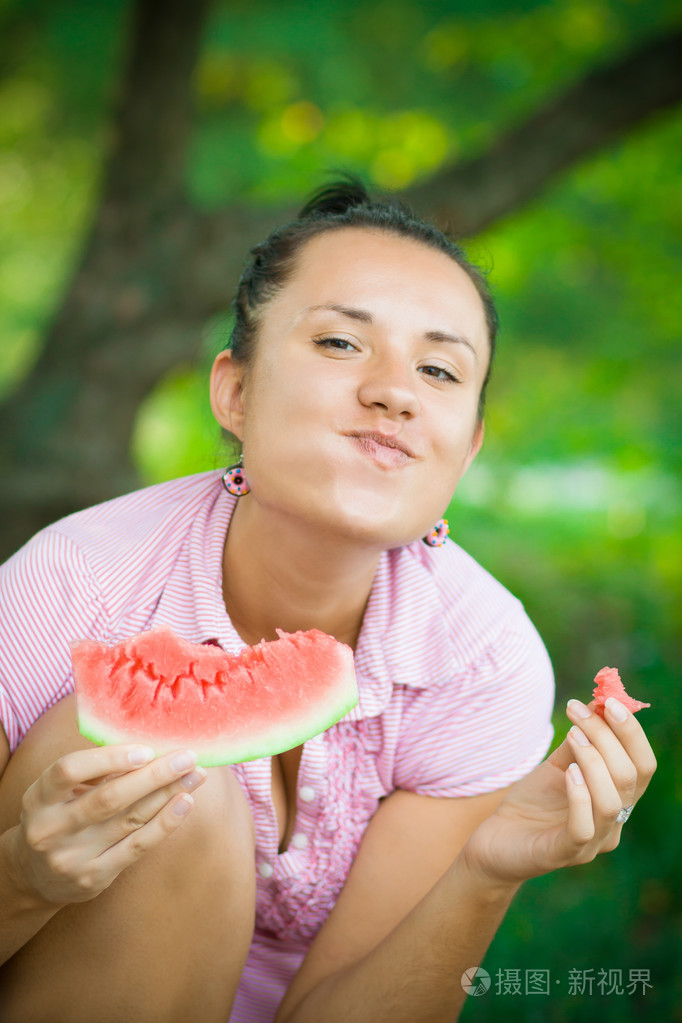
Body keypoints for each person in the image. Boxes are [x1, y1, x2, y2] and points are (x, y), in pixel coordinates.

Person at [0, 179, 656, 1023]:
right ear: (235, 393)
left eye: (439, 369)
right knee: (172, 771)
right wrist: (24, 876)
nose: (396, 391)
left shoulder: (484, 664)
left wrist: (485, 870)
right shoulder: (73, 581)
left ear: (466, 450)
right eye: (343, 342)